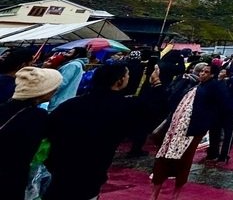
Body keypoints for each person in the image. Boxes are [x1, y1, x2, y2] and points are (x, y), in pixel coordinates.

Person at [45, 62, 165, 200]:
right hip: (93, 171)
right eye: (127, 75)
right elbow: (156, 110)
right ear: (119, 81)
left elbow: (48, 132)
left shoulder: (70, 105)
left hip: (60, 169)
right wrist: (156, 84)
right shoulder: (125, 106)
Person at [151, 63, 226, 200]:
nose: (202, 73)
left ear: (213, 74)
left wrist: (204, 124)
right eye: (201, 71)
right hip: (174, 129)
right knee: (162, 158)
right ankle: (155, 193)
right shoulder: (192, 84)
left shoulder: (215, 87)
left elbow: (219, 106)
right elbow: (173, 98)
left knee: (183, 161)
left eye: (206, 72)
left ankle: (175, 194)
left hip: (191, 130)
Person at [0, 67, 62, 200]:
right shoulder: (38, 116)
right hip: (11, 175)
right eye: (54, 87)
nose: (56, 90)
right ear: (43, 92)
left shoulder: (4, 107)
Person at [47, 47, 88, 111]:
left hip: (59, 100)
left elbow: (62, 82)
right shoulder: (78, 65)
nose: (64, 54)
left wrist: (48, 93)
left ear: (77, 55)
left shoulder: (72, 65)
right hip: (65, 98)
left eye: (69, 53)